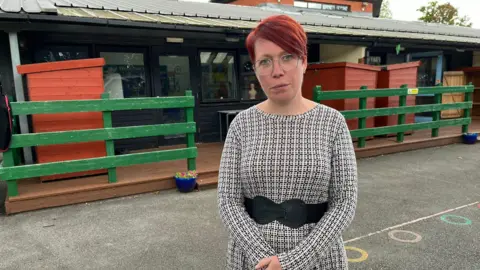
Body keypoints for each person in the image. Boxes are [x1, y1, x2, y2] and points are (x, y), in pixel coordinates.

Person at [217, 14, 358, 270]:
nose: (277, 71)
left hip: (319, 258)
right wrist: (261, 256)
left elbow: (344, 203)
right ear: (256, 68)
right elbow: (228, 201)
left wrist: (293, 262)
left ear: (303, 61)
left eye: (287, 57)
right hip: (251, 258)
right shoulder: (241, 125)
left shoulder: (332, 123)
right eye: (265, 61)